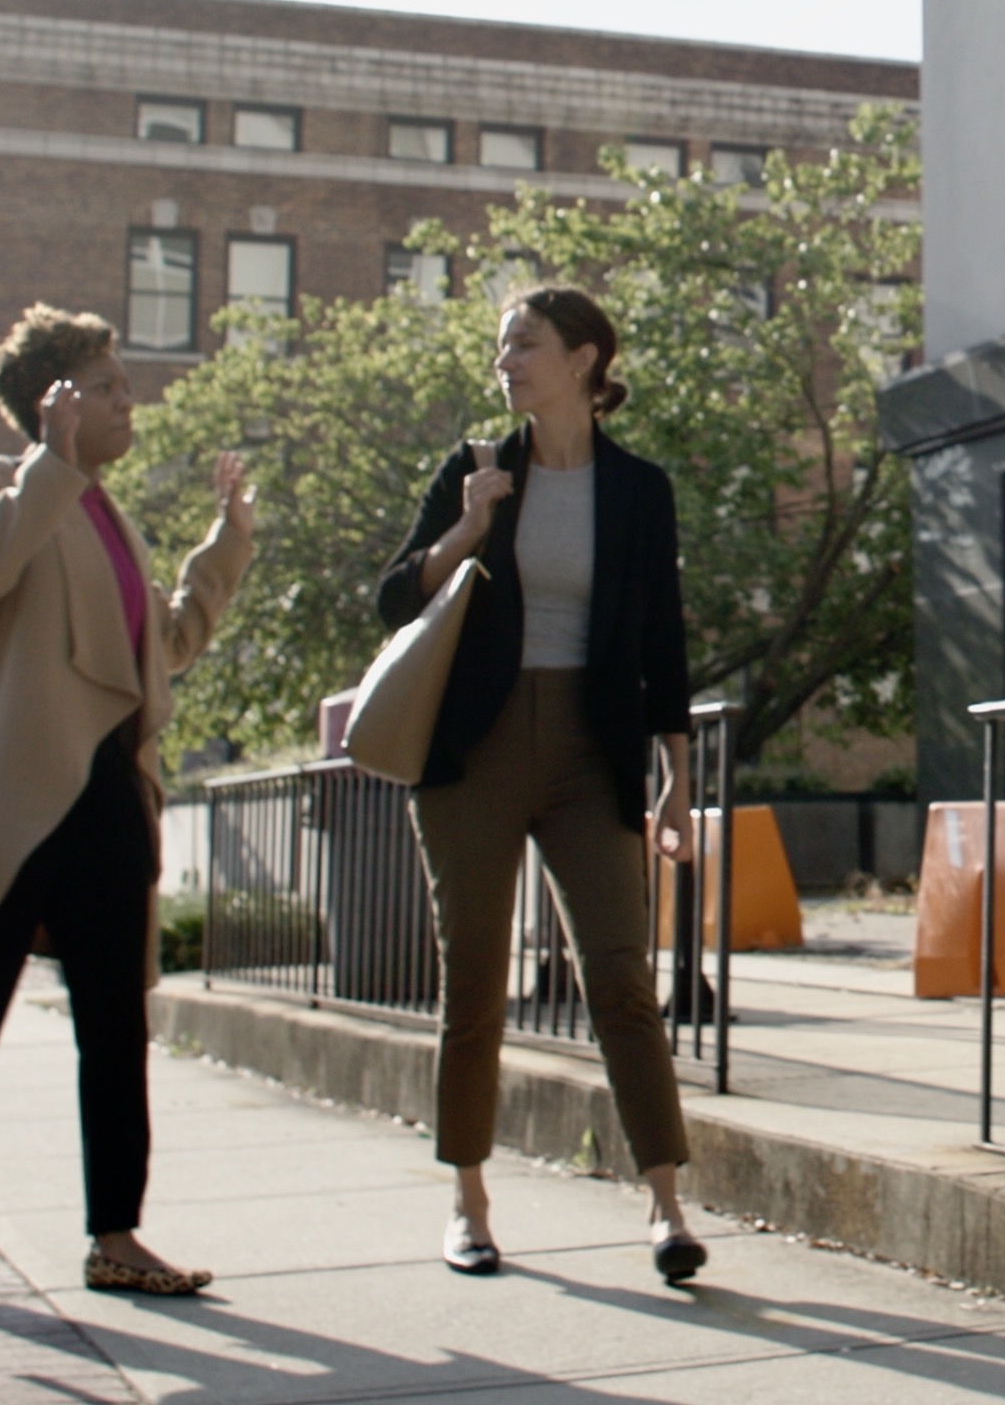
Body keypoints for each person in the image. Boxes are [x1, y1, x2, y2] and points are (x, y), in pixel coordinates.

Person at [0, 304, 254, 1300]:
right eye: (113, 387)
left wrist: (222, 551)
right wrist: (50, 462)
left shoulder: (109, 516)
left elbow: (156, 651)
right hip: (20, 795)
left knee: (115, 1024)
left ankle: (115, 1235)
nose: (134, 402)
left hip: (109, 795)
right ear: (60, 398)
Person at [375, 286, 705, 1283]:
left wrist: (676, 777)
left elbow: (663, 641)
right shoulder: (476, 472)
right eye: (501, 346)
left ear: (584, 360)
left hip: (587, 750)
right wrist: (466, 529)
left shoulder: (639, 489)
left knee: (620, 976)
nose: (505, 359)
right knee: (473, 979)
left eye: (524, 342)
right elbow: (391, 598)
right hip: (472, 750)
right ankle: (469, 1202)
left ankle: (666, 1207)